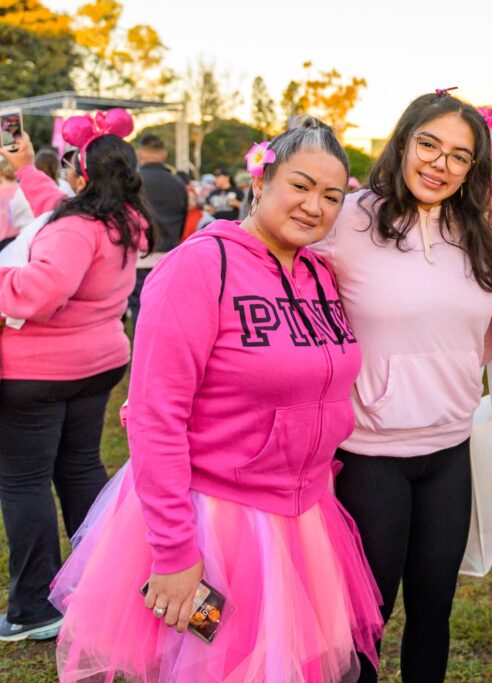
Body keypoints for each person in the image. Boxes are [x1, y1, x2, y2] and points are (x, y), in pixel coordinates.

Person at [48, 118, 384, 681]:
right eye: (300, 185)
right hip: (217, 522)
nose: (314, 206)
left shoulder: (321, 276)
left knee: (287, 665)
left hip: (303, 518)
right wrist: (175, 553)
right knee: (215, 666)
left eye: (331, 195)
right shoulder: (198, 267)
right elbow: (156, 418)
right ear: (261, 181)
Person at [311, 91, 492, 683]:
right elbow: (274, 280)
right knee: (366, 617)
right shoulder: (347, 219)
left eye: (459, 156)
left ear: (473, 169)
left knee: (433, 609)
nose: (439, 164)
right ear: (402, 142)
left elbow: (488, 335)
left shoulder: (477, 235)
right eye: (428, 144)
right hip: (370, 455)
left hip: (450, 451)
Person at [0, 112, 153, 642]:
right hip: (97, 365)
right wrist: (25, 168)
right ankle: (99, 579)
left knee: (24, 482)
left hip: (36, 374)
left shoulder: (76, 227)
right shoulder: (124, 219)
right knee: (80, 469)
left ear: (81, 174)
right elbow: (56, 217)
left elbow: (40, 292)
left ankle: (35, 607)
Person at [131, 134, 188, 323]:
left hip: (139, 257)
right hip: (170, 255)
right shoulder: (178, 184)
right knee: (166, 313)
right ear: (163, 154)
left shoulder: (133, 182)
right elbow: (183, 219)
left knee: (140, 311)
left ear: (140, 153)